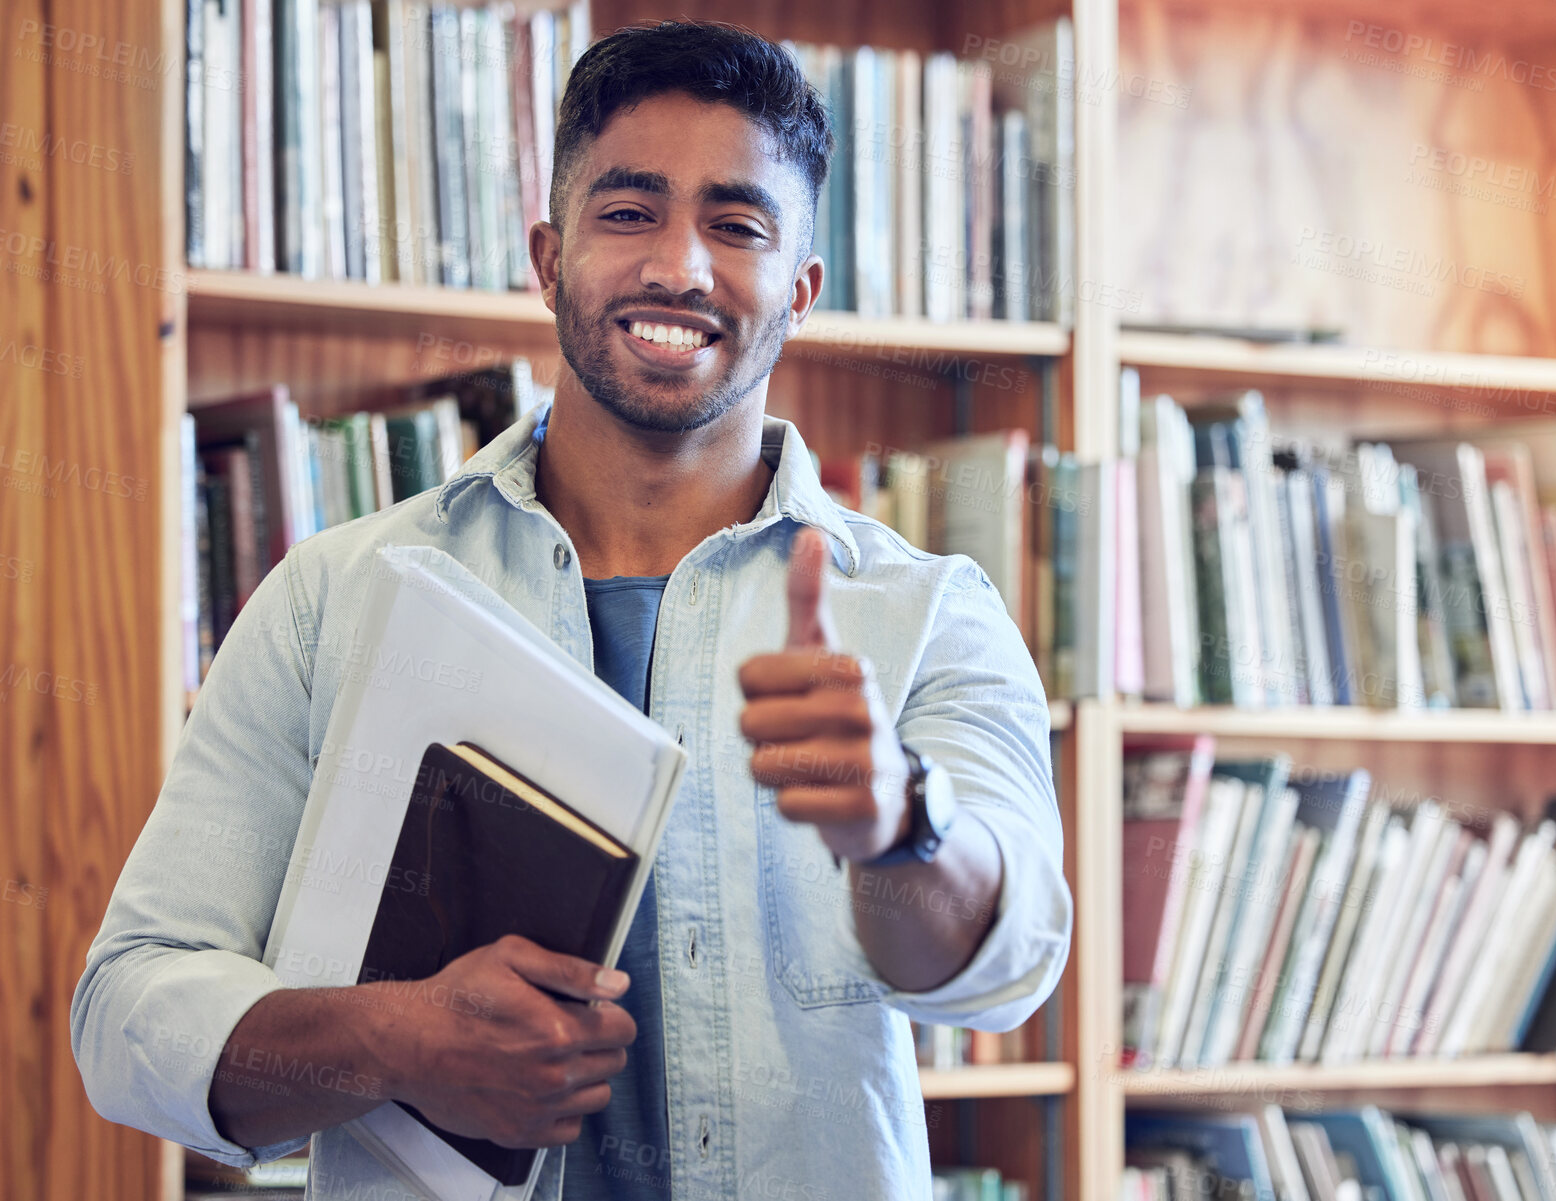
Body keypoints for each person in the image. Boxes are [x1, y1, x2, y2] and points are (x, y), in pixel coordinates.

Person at [72, 21, 1071, 1199]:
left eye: (737, 225)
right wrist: (394, 1040)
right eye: (629, 211)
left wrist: (900, 822)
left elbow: (1004, 971)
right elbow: (127, 1014)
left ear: (800, 290)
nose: (681, 268)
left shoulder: (929, 615)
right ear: (549, 258)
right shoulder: (332, 599)